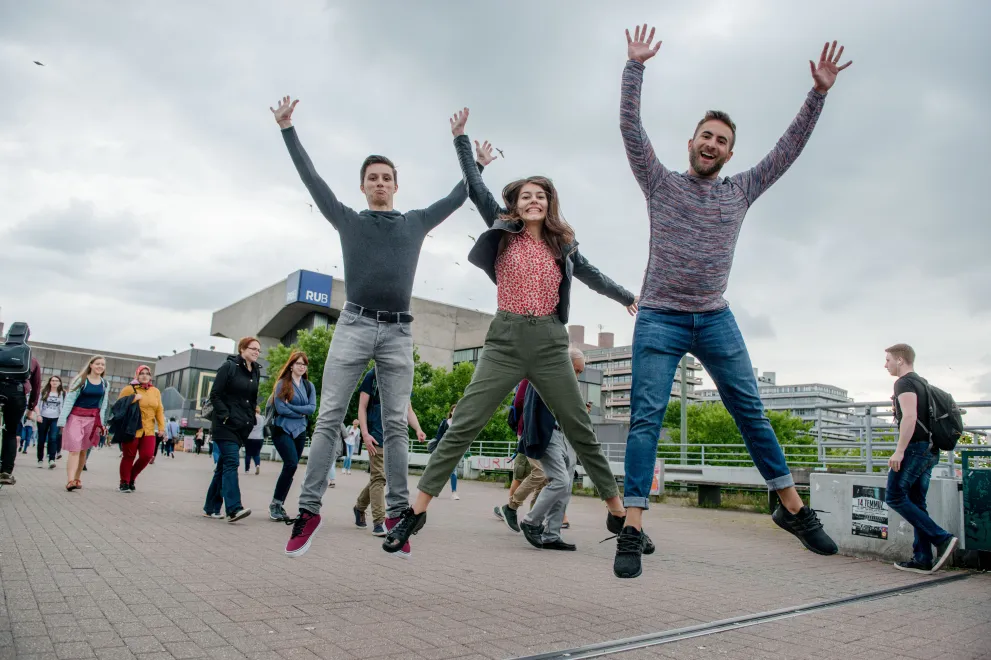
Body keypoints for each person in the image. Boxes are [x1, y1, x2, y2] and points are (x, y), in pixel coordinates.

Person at [614, 25, 850, 578]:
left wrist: (816, 94)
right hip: (660, 317)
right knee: (646, 418)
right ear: (690, 142)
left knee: (750, 412)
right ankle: (632, 528)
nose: (711, 144)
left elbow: (788, 150)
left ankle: (792, 508)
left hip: (715, 317)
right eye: (705, 135)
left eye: (721, 140)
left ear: (729, 153)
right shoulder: (659, 181)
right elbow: (630, 127)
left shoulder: (741, 189)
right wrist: (635, 68)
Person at [384, 108, 638, 556]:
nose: (533, 201)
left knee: (580, 428)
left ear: (549, 202)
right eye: (525, 196)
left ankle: (619, 516)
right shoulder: (502, 229)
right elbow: (476, 187)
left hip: (549, 343)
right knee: (463, 424)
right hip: (504, 340)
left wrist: (623, 296)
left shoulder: (564, 244)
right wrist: (461, 140)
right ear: (515, 204)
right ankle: (415, 513)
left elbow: (592, 274)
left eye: (540, 195)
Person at [271, 95, 489, 558]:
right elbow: (312, 179)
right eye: (372, 178)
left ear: (396, 185)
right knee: (329, 416)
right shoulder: (347, 219)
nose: (379, 184)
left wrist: (466, 148)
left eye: (386, 178)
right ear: (363, 186)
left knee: (395, 424)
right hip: (353, 324)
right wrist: (288, 128)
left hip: (398, 332)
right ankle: (308, 510)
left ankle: (394, 513)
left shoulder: (414, 222)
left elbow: (460, 194)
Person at [883, 344, 959, 574]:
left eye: (888, 360)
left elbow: (910, 417)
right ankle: (922, 558)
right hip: (930, 450)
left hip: (915, 449)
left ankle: (942, 538)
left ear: (900, 360)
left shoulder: (903, 383)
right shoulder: (922, 383)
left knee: (894, 496)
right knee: (916, 503)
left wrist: (899, 451)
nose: (885, 364)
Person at [348, 368, 427, 553]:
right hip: (376, 435)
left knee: (379, 477)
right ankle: (379, 521)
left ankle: (359, 507)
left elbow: (408, 409)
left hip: (396, 437)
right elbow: (362, 407)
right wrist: (365, 434)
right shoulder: (372, 375)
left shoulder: (403, 375)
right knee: (379, 478)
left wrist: (418, 429)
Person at [203, 337, 261, 523]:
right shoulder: (228, 367)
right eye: (253, 348)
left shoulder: (256, 371)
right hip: (224, 425)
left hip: (241, 426)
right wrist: (225, 415)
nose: (256, 352)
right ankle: (234, 508)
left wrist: (251, 419)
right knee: (231, 462)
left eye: (258, 350)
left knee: (222, 468)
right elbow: (215, 394)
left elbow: (252, 399)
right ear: (242, 349)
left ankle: (210, 507)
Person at [268, 351, 316, 522]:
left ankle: (279, 504)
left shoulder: (309, 386)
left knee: (292, 467)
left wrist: (294, 409)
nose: (302, 366)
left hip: (300, 430)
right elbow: (281, 409)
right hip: (282, 429)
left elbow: (312, 409)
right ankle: (275, 504)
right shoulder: (282, 384)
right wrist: (300, 412)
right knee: (290, 464)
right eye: (298, 363)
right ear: (291, 365)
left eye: (304, 364)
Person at [57, 356, 110, 491]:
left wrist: (101, 423)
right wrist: (62, 420)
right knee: (74, 449)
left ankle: (77, 478)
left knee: (83, 451)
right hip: (76, 417)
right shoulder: (80, 380)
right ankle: (70, 481)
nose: (100, 366)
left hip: (92, 420)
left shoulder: (105, 384)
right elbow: (69, 400)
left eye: (102, 365)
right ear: (91, 365)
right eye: (97, 364)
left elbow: (103, 405)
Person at [116, 366, 166, 492]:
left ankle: (131, 477)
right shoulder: (129, 389)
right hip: (131, 429)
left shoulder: (155, 391)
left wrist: (161, 427)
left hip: (148, 430)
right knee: (129, 456)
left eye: (147, 373)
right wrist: (133, 399)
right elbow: (118, 406)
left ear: (150, 376)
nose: (144, 376)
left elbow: (159, 409)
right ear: (137, 375)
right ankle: (124, 483)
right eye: (141, 373)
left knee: (147, 456)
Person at [0, 353, 41, 485]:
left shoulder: (2, 352)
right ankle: (6, 472)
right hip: (17, 395)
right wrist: (31, 407)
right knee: (11, 432)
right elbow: (36, 386)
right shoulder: (29, 358)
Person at [431, 404, 461, 500]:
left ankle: (454, 492)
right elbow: (438, 436)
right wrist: (436, 447)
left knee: (453, 472)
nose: (456, 412)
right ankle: (431, 490)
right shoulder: (444, 422)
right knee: (437, 470)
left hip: (455, 450)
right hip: (443, 449)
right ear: (451, 412)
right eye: (454, 410)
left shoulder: (460, 423)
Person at [37, 375, 64, 469]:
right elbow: (38, 404)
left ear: (60, 383)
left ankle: (51, 459)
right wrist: (38, 415)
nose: (54, 382)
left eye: (57, 380)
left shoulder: (62, 393)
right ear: (50, 382)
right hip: (43, 417)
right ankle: (40, 459)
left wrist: (63, 420)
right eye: (52, 380)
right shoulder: (44, 392)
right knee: (41, 439)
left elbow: (64, 407)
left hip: (56, 418)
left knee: (53, 438)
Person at [244, 407, 265, 475]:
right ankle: (257, 465)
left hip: (249, 437)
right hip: (259, 438)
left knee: (248, 453)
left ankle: (247, 469)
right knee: (257, 453)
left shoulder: (249, 417)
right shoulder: (262, 418)